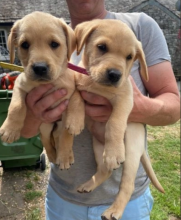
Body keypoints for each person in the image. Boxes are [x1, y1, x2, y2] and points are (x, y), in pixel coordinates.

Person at [21, 1, 180, 219]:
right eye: (102, 48)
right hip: (64, 198)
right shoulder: (50, 37)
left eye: (128, 59)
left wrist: (134, 109)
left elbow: (174, 106)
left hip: (129, 202)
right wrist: (36, 113)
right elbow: (26, 132)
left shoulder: (141, 26)